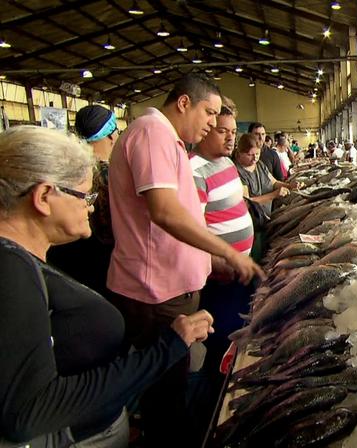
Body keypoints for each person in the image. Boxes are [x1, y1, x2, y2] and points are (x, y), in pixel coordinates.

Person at [0, 126, 213, 447]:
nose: (91, 206)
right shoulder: (11, 268)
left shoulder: (30, 258)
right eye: (84, 196)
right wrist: (168, 347)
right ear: (43, 197)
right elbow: (29, 411)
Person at [107, 74, 263, 445]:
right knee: (166, 392)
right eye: (209, 112)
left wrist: (211, 261)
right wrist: (227, 252)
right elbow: (164, 212)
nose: (213, 122)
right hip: (156, 291)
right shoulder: (152, 134)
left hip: (171, 286)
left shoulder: (168, 139)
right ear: (183, 103)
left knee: (173, 385)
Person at [189, 106, 255, 372]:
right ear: (205, 130)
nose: (230, 138)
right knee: (222, 339)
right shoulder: (194, 170)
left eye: (233, 131)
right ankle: (215, 386)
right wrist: (218, 263)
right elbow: (190, 234)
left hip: (239, 270)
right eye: (222, 131)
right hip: (220, 277)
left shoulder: (227, 162)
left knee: (239, 333)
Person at [48, 105, 118, 297]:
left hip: (65, 261)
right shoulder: (113, 175)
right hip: (101, 262)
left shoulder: (62, 170)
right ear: (112, 136)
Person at [234, 134, 293, 260]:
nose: (254, 158)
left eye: (257, 154)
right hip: (251, 227)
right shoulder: (237, 172)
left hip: (266, 221)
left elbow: (274, 182)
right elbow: (247, 202)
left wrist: (290, 186)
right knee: (255, 258)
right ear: (239, 153)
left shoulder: (260, 165)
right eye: (250, 154)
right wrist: (274, 195)